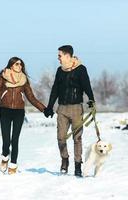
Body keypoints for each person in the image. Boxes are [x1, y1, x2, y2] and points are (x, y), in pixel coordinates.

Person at [0, 57, 46, 175]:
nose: (20, 66)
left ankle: (13, 164)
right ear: (11, 65)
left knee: (15, 139)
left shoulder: (24, 79)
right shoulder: (3, 76)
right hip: (5, 111)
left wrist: (44, 109)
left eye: (21, 64)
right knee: (6, 140)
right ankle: (5, 157)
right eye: (17, 64)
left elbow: (31, 97)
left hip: (19, 112)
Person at [44, 45, 95, 177]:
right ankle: (64, 159)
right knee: (60, 137)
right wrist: (50, 106)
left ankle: (78, 165)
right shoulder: (60, 71)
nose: (58, 58)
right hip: (62, 109)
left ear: (67, 56)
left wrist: (91, 100)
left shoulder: (81, 69)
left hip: (76, 108)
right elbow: (55, 89)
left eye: (59, 55)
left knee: (77, 138)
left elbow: (87, 86)